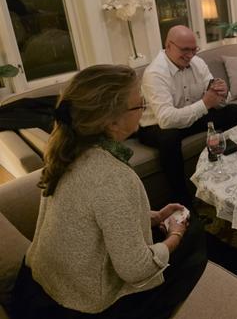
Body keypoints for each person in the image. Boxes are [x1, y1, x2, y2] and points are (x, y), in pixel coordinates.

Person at [11, 65, 207, 319]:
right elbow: (136, 270)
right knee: (194, 234)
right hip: (76, 307)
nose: (144, 108)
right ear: (112, 121)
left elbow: (94, 217)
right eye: (139, 105)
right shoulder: (111, 176)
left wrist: (154, 217)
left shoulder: (67, 153)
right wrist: (176, 235)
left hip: (34, 287)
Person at [138, 25, 237, 205]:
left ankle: (232, 170)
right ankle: (182, 200)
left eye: (194, 49)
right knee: (169, 138)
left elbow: (216, 99)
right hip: (157, 126)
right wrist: (206, 103)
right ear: (168, 46)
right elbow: (166, 119)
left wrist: (222, 93)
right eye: (185, 50)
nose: (190, 55)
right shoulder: (155, 73)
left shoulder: (198, 63)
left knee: (235, 111)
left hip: (191, 116)